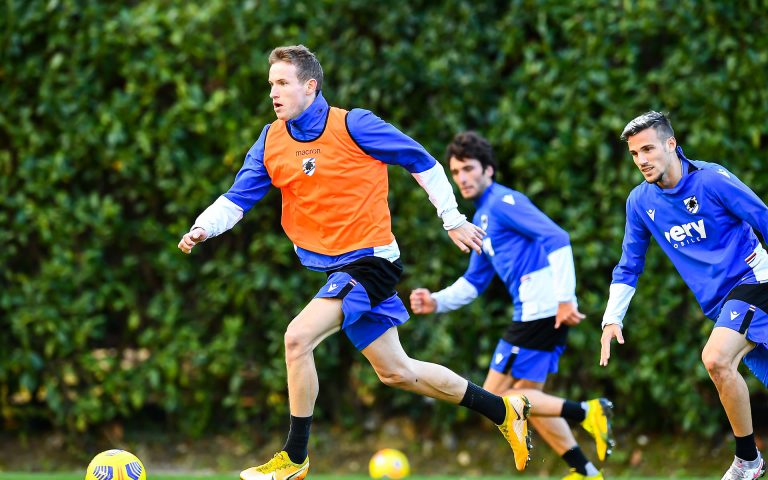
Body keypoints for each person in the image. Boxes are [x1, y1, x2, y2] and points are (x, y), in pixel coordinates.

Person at [178, 45, 534, 479]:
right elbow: (238, 199)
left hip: (370, 262)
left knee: (297, 338)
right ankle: (503, 410)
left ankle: (294, 458)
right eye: (271, 84)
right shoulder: (272, 140)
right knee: (398, 372)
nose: (274, 92)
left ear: (310, 87)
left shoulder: (353, 124)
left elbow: (422, 162)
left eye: (283, 83)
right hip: (338, 267)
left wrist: (452, 219)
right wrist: (203, 227)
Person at [410, 131, 613, 480]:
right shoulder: (482, 219)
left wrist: (566, 298)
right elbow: (475, 282)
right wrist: (436, 302)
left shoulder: (502, 202)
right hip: (537, 309)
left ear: (488, 169)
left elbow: (557, 237)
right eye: (455, 173)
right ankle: (586, 471)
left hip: (542, 307)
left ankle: (588, 411)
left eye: (468, 169)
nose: (462, 179)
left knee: (495, 396)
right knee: (527, 400)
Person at [600, 111, 768, 480]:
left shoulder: (711, 180)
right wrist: (612, 317)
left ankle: (748, 461)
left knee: (716, 359)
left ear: (671, 145)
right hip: (721, 303)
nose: (641, 160)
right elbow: (629, 265)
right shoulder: (639, 202)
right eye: (634, 154)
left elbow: (763, 218)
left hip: (755, 280)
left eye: (648, 149)